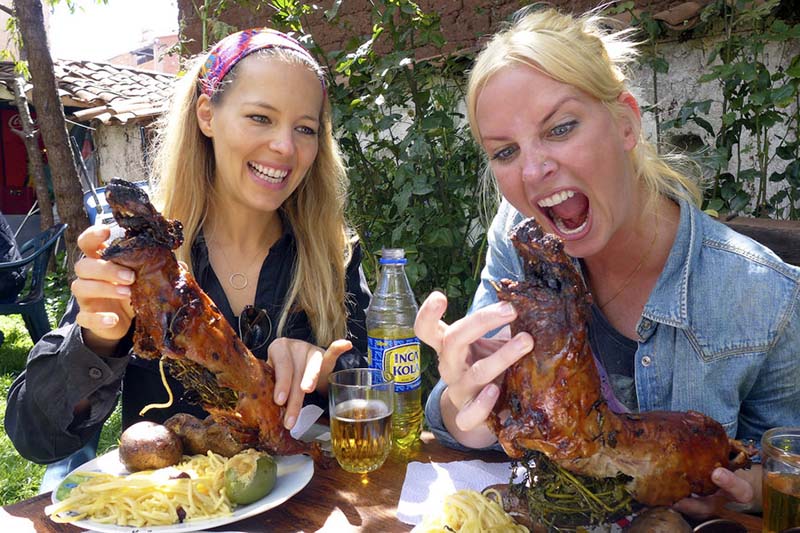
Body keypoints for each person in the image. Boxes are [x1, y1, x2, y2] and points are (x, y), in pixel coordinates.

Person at [415, 7, 800, 519]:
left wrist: (751, 492)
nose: (532, 171)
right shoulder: (522, 241)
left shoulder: (762, 294)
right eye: (505, 152)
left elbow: (788, 464)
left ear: (625, 122)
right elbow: (452, 411)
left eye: (560, 128)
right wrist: (465, 409)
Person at [5, 28, 371, 488]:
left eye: (305, 128)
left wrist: (328, 373)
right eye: (261, 117)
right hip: (173, 510)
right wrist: (95, 342)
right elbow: (36, 437)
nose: (285, 146)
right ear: (207, 116)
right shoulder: (144, 259)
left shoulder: (333, 255)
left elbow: (386, 390)